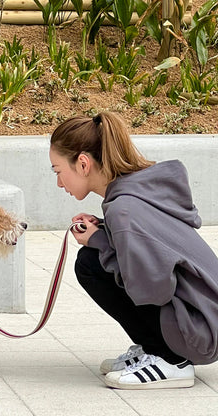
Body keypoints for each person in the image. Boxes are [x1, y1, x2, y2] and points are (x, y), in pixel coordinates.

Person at [49, 111, 218, 390]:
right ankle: (157, 348)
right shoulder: (138, 193)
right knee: (93, 258)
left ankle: (170, 359)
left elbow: (153, 288)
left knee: (90, 264)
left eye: (58, 171)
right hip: (205, 320)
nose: (58, 182)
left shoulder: (124, 208)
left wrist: (101, 241)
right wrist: (103, 230)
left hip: (199, 334)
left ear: (82, 163)